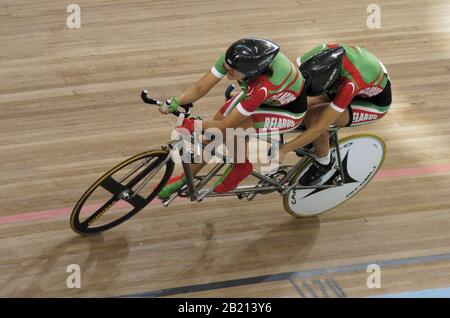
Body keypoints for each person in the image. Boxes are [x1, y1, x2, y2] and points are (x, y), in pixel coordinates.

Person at [157, 38, 308, 199]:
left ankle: (242, 165)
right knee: (211, 135)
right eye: (227, 66)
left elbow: (226, 125)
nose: (227, 69)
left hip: (289, 111)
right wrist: (179, 100)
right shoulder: (235, 58)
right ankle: (183, 180)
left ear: (251, 72)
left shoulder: (262, 87)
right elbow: (201, 86)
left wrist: (192, 124)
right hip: (263, 97)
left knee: (233, 130)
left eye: (232, 70)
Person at [279, 43, 392, 185]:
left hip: (373, 102)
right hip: (359, 75)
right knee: (306, 104)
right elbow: (290, 77)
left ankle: (324, 163)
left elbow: (319, 127)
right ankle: (320, 143)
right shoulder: (321, 51)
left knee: (315, 118)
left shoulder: (350, 85)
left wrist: (285, 149)